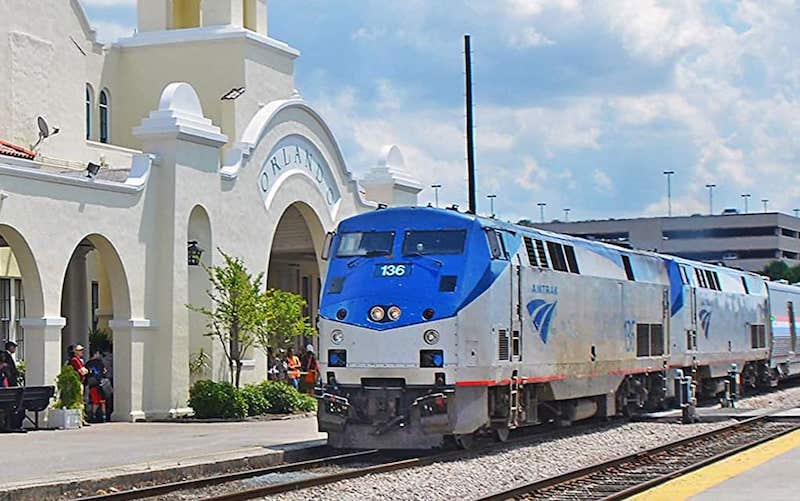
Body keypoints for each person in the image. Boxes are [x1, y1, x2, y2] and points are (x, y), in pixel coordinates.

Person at [85, 350, 107, 422]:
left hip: (92, 385)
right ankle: (104, 416)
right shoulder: (100, 362)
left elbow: (86, 373)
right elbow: (104, 371)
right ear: (95, 354)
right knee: (102, 401)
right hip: (100, 384)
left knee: (95, 402)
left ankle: (94, 416)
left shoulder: (88, 363)